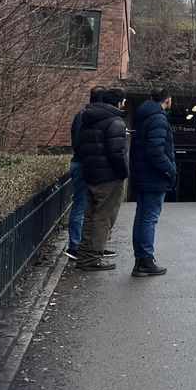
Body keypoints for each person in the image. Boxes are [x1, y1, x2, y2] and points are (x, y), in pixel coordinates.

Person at [75, 87, 128, 271]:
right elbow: (117, 153)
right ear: (119, 102)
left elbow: (80, 147)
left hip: (91, 174)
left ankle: (83, 255)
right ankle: (93, 257)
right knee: (103, 217)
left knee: (90, 216)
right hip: (109, 177)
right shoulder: (116, 121)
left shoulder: (87, 118)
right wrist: (123, 173)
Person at [129, 87, 175, 277]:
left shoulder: (144, 116)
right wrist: (170, 169)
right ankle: (146, 260)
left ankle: (141, 259)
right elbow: (156, 150)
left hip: (142, 174)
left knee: (141, 217)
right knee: (149, 218)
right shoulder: (158, 118)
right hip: (154, 177)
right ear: (168, 100)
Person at [66, 85, 106, 260]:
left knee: (80, 204)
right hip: (86, 164)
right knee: (84, 206)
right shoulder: (92, 117)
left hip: (78, 162)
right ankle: (76, 245)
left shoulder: (80, 115)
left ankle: (77, 244)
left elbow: (75, 140)